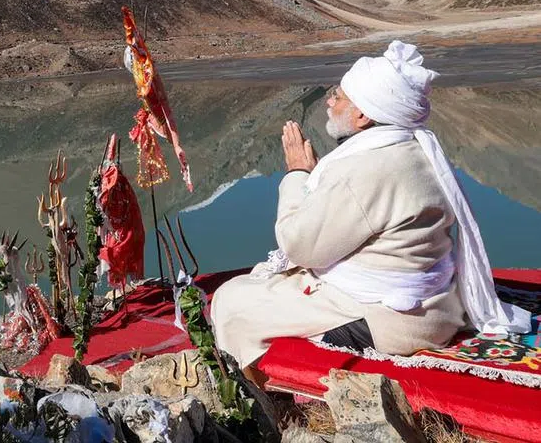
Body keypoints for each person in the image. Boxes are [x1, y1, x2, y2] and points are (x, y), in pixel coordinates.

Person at [209, 40, 530, 381]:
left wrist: (296, 174)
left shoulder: (367, 168)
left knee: (231, 301)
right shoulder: (416, 149)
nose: (330, 102)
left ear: (363, 115)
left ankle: (252, 395)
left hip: (387, 321)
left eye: (340, 96)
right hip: (437, 309)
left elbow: (299, 246)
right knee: (264, 282)